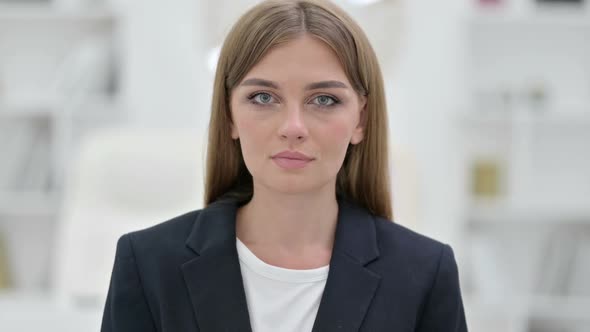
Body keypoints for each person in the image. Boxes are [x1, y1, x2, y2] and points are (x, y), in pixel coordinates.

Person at [100, 0, 468, 331]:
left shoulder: (425, 273)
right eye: (263, 97)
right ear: (229, 114)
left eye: (323, 99)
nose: (293, 127)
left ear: (361, 120)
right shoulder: (149, 264)